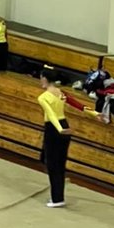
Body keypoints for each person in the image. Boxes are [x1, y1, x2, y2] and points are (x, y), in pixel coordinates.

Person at [37, 70, 101, 207]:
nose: (40, 80)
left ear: (45, 79)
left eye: (41, 78)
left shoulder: (43, 97)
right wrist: (95, 113)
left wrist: (60, 129)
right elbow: (76, 104)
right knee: (58, 161)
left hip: (55, 128)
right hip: (63, 124)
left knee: (54, 165)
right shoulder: (61, 93)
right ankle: (58, 196)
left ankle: (57, 199)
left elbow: (51, 114)